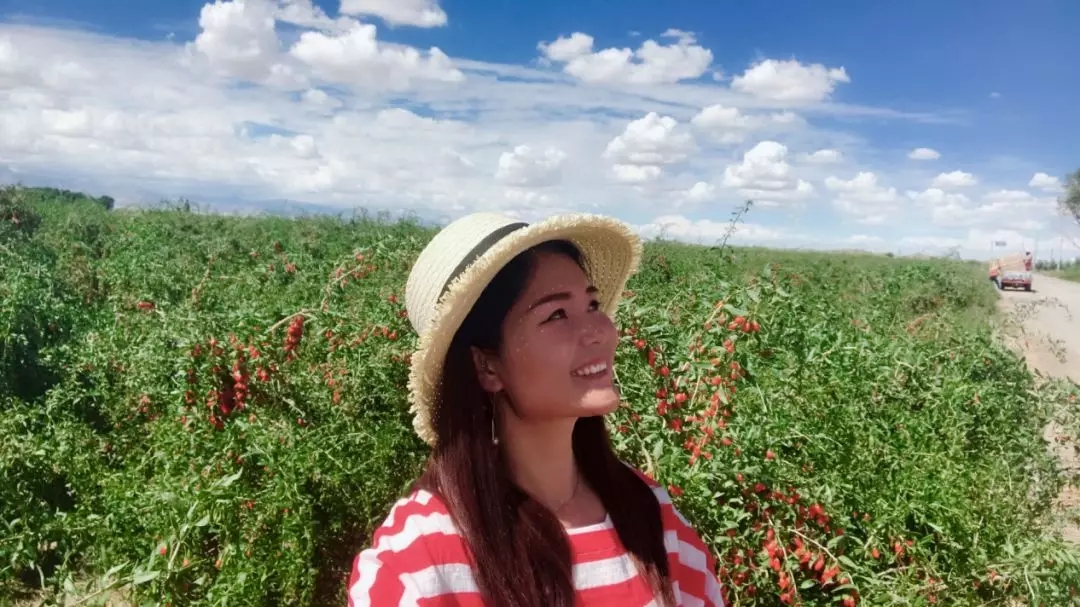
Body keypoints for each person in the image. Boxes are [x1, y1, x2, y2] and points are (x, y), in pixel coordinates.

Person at [347, 212, 725, 606]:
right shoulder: (417, 565)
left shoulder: (652, 516)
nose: (600, 331)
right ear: (487, 366)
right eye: (556, 314)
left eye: (592, 304)